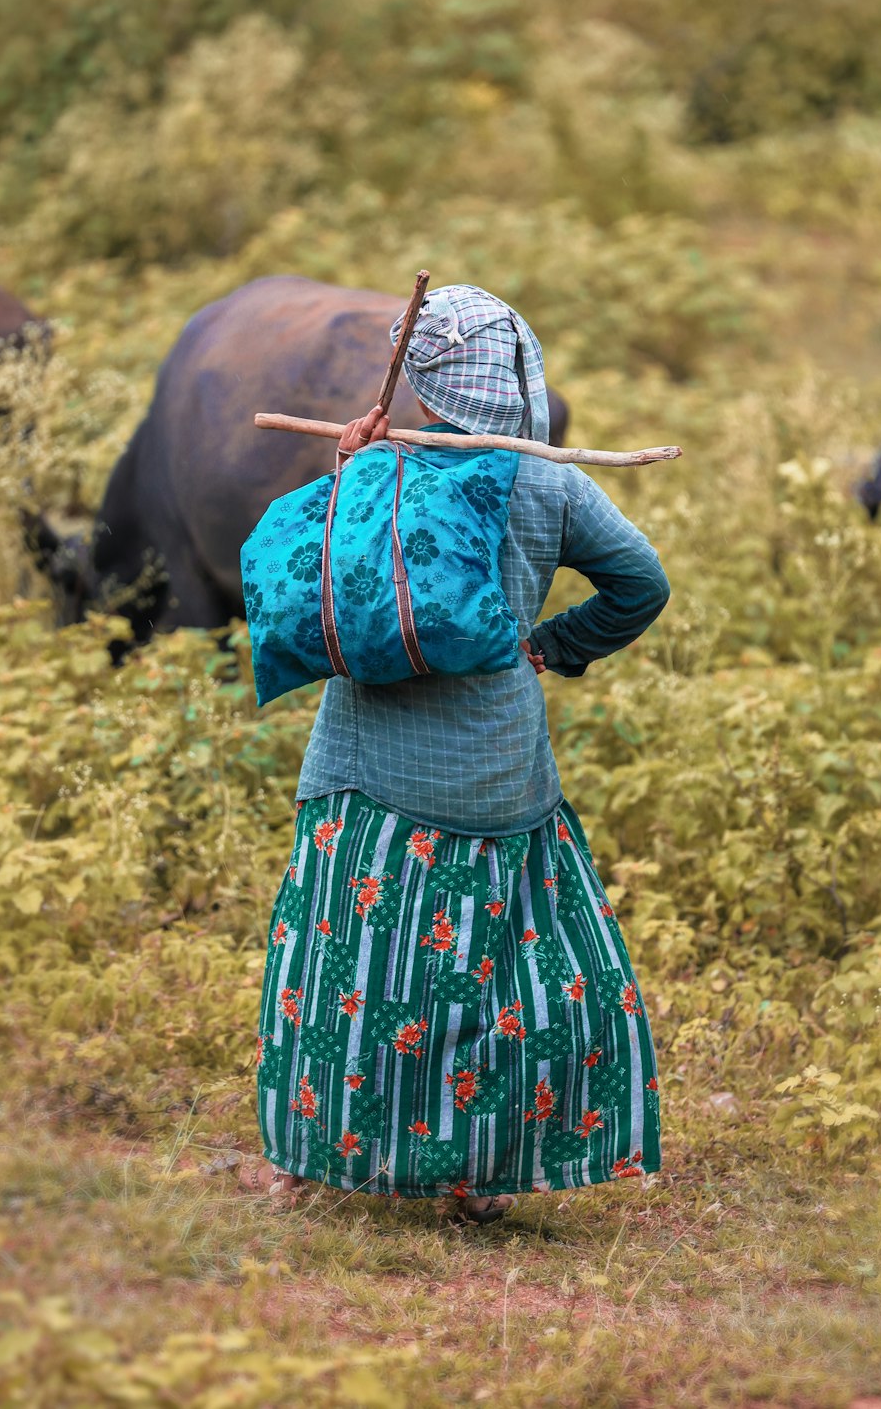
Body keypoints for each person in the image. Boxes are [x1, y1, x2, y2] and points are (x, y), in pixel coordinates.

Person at [255, 285, 670, 1223]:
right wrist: (552, 645)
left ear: (425, 376)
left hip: (368, 767)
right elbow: (641, 583)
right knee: (497, 982)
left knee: (343, 969)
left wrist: (349, 462)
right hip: (501, 770)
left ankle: (305, 1165)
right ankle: (476, 1176)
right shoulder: (550, 482)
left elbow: (328, 577)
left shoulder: (384, 464)